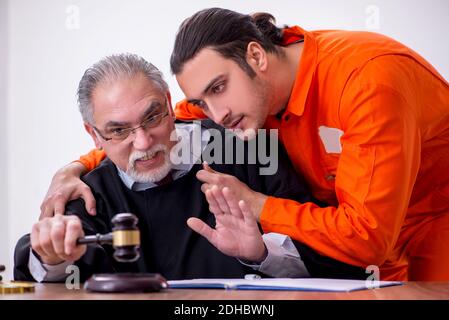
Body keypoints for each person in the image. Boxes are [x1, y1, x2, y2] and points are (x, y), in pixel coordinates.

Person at [41, 8, 449, 281]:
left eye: (218, 88)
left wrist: (258, 206)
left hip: (433, 234)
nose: (215, 115)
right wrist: (76, 167)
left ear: (256, 56)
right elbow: (154, 130)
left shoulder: (367, 83)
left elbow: (367, 237)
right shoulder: (240, 99)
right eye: (203, 100)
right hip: (374, 261)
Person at [14, 54, 367, 283]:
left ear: (171, 105)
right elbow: (43, 269)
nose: (143, 142)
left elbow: (335, 262)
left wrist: (262, 253)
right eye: (119, 130)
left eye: (152, 117)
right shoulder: (92, 194)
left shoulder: (250, 149)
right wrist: (52, 254)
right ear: (94, 135)